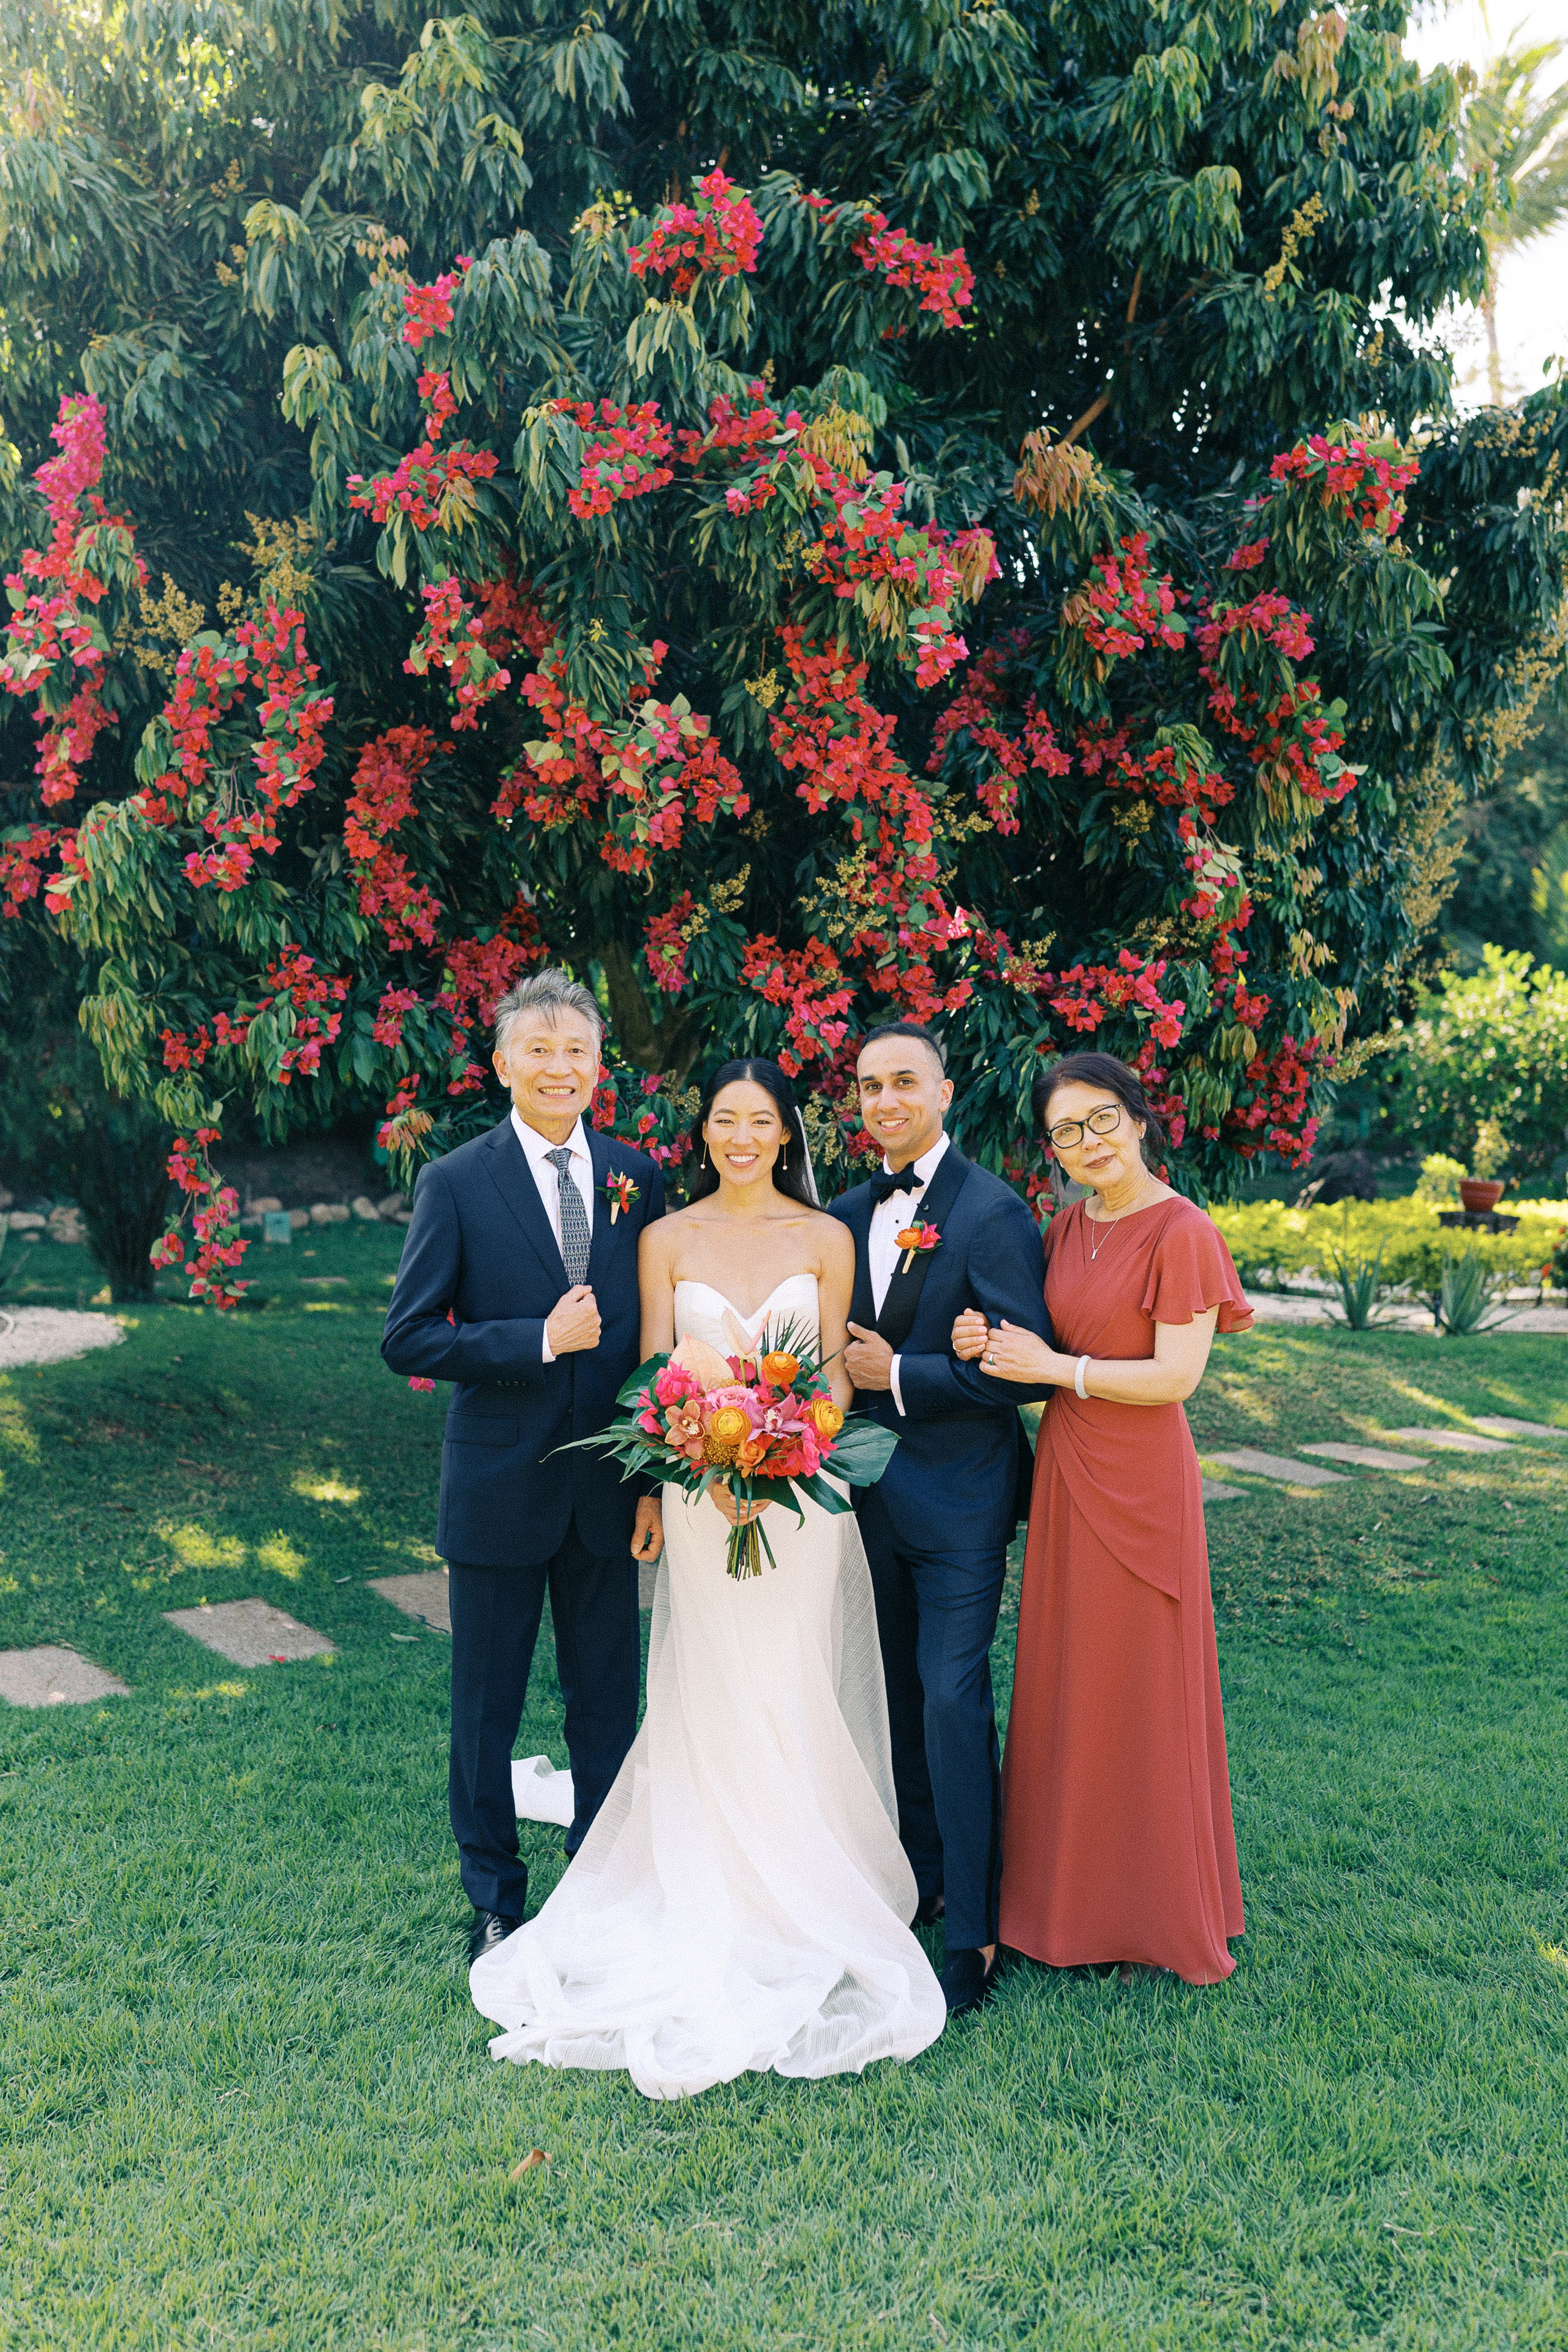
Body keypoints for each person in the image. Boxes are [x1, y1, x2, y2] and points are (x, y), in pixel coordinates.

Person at [467, 1057, 946, 2098]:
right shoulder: (666, 1237)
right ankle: (707, 1876)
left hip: (803, 1494)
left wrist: (785, 1456)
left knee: (788, 1676)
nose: (741, 1137)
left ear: (787, 1135)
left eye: (760, 1121)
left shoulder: (823, 1238)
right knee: (710, 1682)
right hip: (693, 1493)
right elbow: (652, 1372)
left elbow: (832, 1376)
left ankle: (799, 1885)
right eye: (725, 1120)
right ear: (705, 1134)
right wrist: (676, 1480)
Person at [381, 971, 666, 1965]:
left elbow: (657, 1336)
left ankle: (601, 1884)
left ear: (598, 1067)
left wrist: (652, 1482)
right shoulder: (457, 1181)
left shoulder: (638, 1176)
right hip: (499, 1489)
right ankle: (495, 1898)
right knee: (485, 1710)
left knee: (606, 1705)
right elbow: (409, 1337)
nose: (558, 1067)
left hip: (606, 1493)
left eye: (575, 1050)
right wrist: (536, 1340)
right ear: (502, 1064)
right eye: (538, 1050)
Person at [951, 1050, 1251, 1985]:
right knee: (1071, 1684)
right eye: (1066, 1132)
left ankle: (1154, 1915)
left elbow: (1175, 1376)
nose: (1089, 1143)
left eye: (1102, 1120)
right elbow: (1034, 1340)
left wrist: (1056, 1372)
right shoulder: (1063, 1227)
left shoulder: (1183, 1231)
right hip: (1069, 1470)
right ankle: (1063, 1905)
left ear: (1139, 1117)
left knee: (1142, 1688)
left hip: (1143, 1478)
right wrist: (983, 1339)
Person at [830, 1021, 1054, 2018]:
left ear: (945, 1092)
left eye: (904, 1082)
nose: (886, 1101)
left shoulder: (993, 1212)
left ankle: (977, 1923)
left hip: (963, 1499)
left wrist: (904, 1375)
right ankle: (920, 1878)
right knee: (896, 1697)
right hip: (865, 1497)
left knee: (952, 1697)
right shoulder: (845, 1215)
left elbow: (1024, 1365)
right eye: (870, 1086)